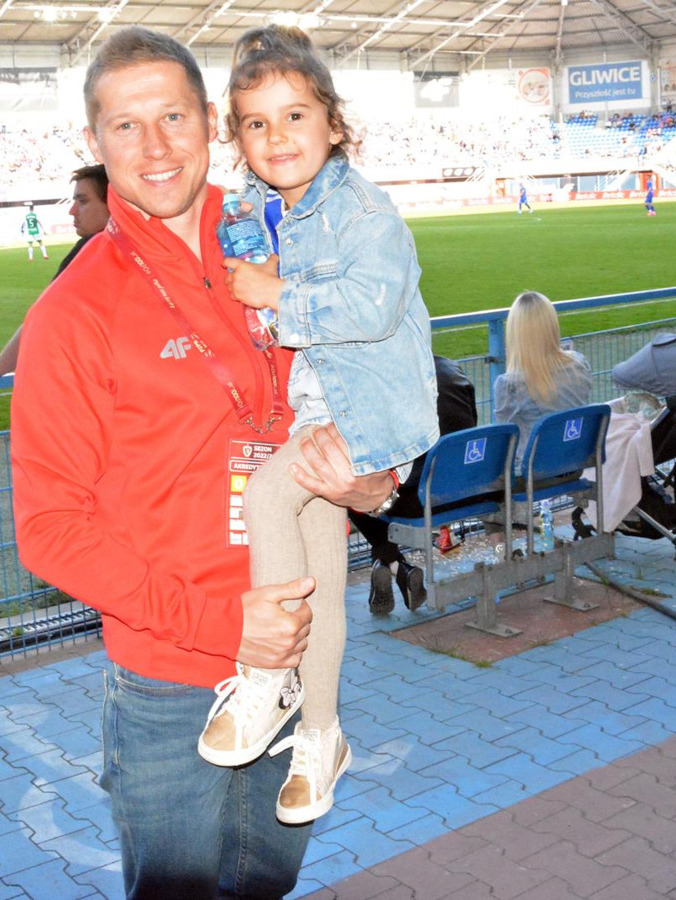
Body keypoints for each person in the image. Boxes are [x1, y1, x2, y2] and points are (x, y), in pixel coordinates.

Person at [10, 26, 397, 899]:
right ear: (95, 140)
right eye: (126, 125)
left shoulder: (295, 241)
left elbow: (379, 379)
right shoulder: (74, 312)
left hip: (299, 656)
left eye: (174, 117)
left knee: (266, 883)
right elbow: (48, 530)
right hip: (170, 684)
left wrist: (380, 479)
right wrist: (226, 626)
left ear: (212, 122)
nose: (154, 147)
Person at [204, 25, 437, 824]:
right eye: (256, 123)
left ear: (335, 125)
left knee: (268, 496)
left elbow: (371, 310)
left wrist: (275, 294)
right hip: (327, 406)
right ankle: (322, 735)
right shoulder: (287, 210)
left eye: (295, 116)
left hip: (361, 410)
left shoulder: (362, 210)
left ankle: (269, 680)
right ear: (238, 139)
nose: (277, 136)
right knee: (322, 588)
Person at [0, 165, 109, 383]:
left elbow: (47, 314)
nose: (72, 211)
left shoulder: (92, 249)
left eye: (82, 201)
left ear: (114, 204)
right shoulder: (144, 246)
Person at [353, 355, 477, 615]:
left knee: (351, 493)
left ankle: (392, 562)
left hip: (422, 499)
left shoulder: (391, 379)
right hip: (466, 490)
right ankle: (393, 567)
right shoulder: (452, 368)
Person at [493, 290, 594, 456]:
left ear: (514, 332)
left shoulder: (509, 384)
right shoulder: (579, 364)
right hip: (576, 460)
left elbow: (501, 442)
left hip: (533, 468)